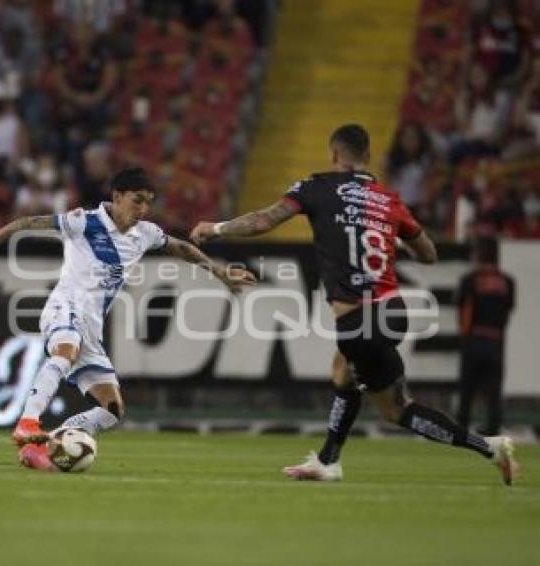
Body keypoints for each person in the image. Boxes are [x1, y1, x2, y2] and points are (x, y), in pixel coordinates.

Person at [191, 124, 519, 485]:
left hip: (360, 321)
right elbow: (428, 254)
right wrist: (388, 236)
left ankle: (335, 462)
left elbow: (263, 221)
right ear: (367, 156)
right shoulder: (388, 199)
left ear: (335, 155)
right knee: (357, 381)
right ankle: (333, 458)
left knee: (384, 400)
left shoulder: (317, 187)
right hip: (392, 312)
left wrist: (217, 228)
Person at [0, 167, 254, 471]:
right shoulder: (83, 221)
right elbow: (27, 223)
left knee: (112, 411)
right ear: (117, 196)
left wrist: (221, 273)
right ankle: (27, 422)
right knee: (65, 350)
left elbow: (181, 247)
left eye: (147, 203)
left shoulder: (146, 234)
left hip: (91, 327)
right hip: (65, 307)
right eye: (137, 200)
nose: (142, 209)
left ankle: (44, 444)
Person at [456, 237, 516, 436]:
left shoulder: (470, 280)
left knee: (468, 386)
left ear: (479, 254)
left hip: (474, 337)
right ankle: (493, 428)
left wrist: (464, 337)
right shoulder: (507, 281)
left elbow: (463, 310)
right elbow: (508, 310)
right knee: (493, 389)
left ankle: (461, 427)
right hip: (495, 339)